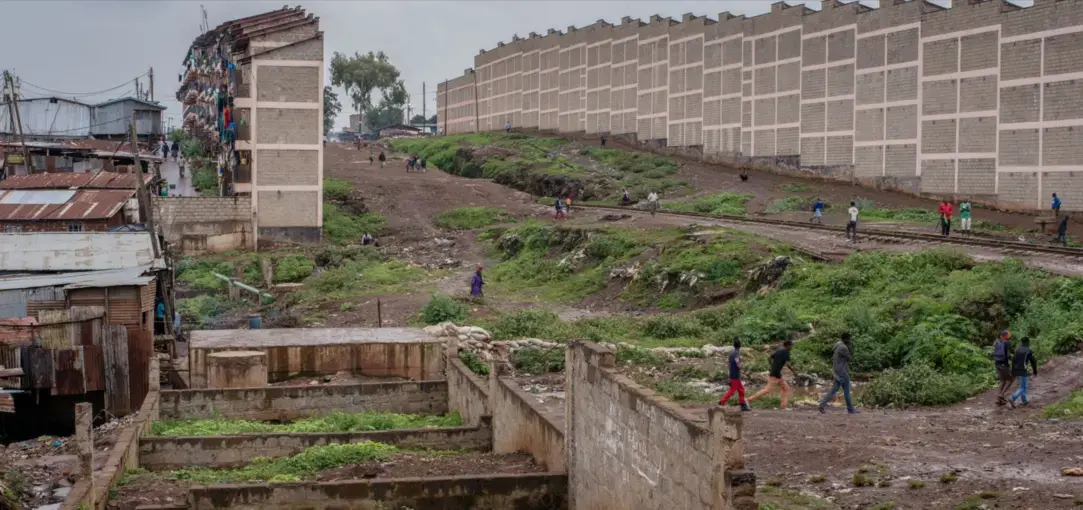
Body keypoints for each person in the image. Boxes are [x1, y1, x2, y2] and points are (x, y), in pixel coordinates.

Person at [748, 339, 797, 409]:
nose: (792, 347)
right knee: (767, 390)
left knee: (786, 388)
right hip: (775, 374)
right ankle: (748, 400)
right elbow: (788, 364)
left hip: (777, 374)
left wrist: (772, 366)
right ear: (788, 346)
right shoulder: (786, 352)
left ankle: (783, 406)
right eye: (791, 345)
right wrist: (794, 372)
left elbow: (769, 358)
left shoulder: (779, 351)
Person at [819, 333, 858, 414]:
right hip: (842, 371)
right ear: (846, 339)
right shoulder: (843, 347)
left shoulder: (837, 345)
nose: (850, 341)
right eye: (849, 339)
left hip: (837, 370)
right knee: (847, 391)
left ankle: (822, 405)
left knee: (834, 389)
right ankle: (850, 409)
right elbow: (849, 358)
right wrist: (850, 347)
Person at [719, 339, 751, 411]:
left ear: (734, 345)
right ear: (740, 345)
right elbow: (738, 364)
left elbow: (728, 363)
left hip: (733, 374)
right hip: (735, 375)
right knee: (732, 390)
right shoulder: (736, 353)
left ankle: (742, 404)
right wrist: (742, 369)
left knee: (741, 390)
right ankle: (722, 401)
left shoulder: (732, 353)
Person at [1009, 336, 1038, 407]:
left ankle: (1024, 401)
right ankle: (1013, 398)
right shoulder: (1028, 350)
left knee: (1022, 385)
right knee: (1023, 387)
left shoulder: (1017, 350)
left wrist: (1013, 371)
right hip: (1023, 370)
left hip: (1016, 370)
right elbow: (1033, 362)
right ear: (1028, 342)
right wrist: (1035, 371)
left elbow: (1013, 361)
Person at [993, 329, 1014, 407]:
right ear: (1006, 335)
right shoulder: (1007, 343)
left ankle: (998, 400)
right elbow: (1009, 354)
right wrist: (1014, 360)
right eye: (1008, 334)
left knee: (1003, 381)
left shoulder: (998, 343)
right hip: (1003, 365)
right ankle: (1001, 395)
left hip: (997, 364)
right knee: (1011, 379)